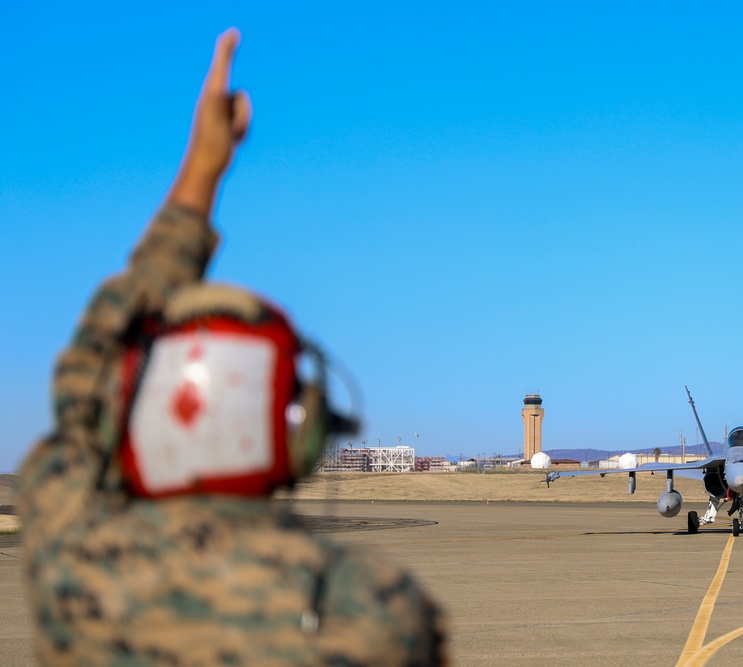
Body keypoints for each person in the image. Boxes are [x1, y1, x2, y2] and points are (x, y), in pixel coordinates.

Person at [19, 29, 445, 665]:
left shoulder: (76, 574)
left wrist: (200, 170)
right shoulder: (377, 612)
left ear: (129, 419)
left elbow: (79, 401)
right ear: (298, 430)